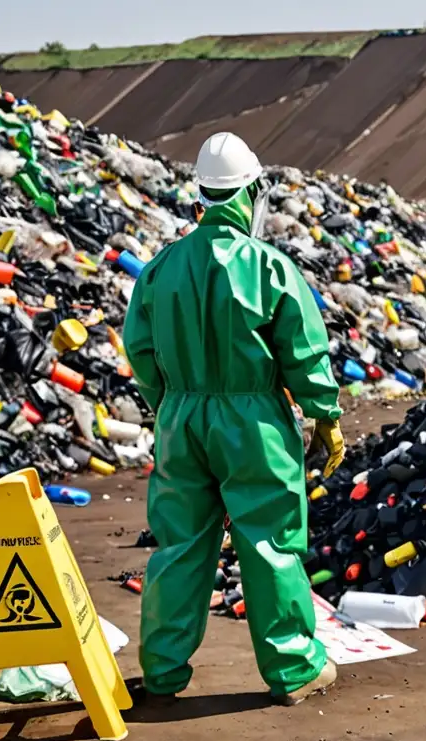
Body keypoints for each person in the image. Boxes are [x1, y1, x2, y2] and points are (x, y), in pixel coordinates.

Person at [122, 132, 345, 705]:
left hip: (182, 419)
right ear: (249, 193)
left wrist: (168, 407)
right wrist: (325, 416)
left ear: (201, 193)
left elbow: (141, 353)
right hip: (254, 424)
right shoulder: (270, 268)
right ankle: (293, 671)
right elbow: (304, 352)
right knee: (270, 542)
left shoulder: (158, 270)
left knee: (179, 545)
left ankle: (164, 672)